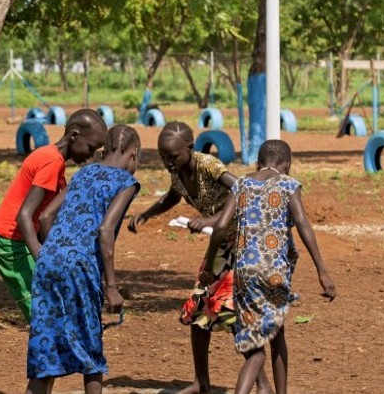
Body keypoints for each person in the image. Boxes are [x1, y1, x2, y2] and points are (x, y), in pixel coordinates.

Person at [128, 121, 270, 394]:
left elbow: (243, 190)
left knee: (230, 312)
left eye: (173, 156)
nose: (169, 162)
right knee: (198, 308)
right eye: (163, 157)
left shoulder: (209, 165)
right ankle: (201, 382)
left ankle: (263, 386)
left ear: (190, 148)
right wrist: (146, 214)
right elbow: (172, 197)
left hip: (242, 243)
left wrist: (210, 219)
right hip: (219, 243)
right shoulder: (179, 173)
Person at [203, 140, 336, 394]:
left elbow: (220, 227)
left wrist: (210, 264)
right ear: (287, 165)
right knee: (275, 339)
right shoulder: (287, 184)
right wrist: (322, 270)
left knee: (257, 345)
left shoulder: (241, 184)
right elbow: (302, 222)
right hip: (274, 274)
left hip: (244, 273)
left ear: (257, 163)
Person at [25, 125, 141, 394]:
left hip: (48, 260)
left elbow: (44, 218)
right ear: (133, 154)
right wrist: (111, 287)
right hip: (81, 266)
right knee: (91, 352)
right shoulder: (126, 183)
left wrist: (56, 250)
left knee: (47, 346)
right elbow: (105, 231)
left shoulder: (83, 173)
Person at [0, 109, 107, 320]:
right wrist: (44, 259)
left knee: (50, 301)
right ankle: (49, 348)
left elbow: (45, 215)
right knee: (43, 309)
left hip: (19, 238)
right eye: (91, 148)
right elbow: (24, 215)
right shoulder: (52, 162)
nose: (90, 155)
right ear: (74, 135)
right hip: (8, 240)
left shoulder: (52, 158)